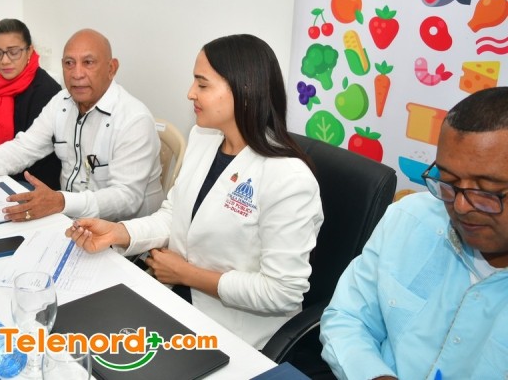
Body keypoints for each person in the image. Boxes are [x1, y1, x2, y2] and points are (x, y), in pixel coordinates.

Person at [66, 34, 324, 349]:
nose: (190, 93)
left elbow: (282, 292)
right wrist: (118, 233)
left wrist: (187, 274)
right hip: (178, 303)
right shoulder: (204, 138)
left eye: (202, 84)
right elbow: (173, 216)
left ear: (243, 91)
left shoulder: (288, 178)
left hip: (235, 334)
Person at [320, 87, 508, 379]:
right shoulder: (410, 218)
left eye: (487, 191)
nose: (460, 206)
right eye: (448, 181)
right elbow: (347, 318)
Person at [0, 28, 164, 223]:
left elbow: (126, 199)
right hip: (69, 221)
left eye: (88, 63)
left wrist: (62, 202)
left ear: (111, 68)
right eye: (69, 63)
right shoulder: (61, 102)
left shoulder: (134, 120)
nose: (77, 74)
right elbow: (22, 148)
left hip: (123, 241)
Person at [0, 19, 62, 189]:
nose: (5, 61)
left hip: (29, 183)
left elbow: (28, 157)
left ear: (29, 51)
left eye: (13, 52)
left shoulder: (47, 91)